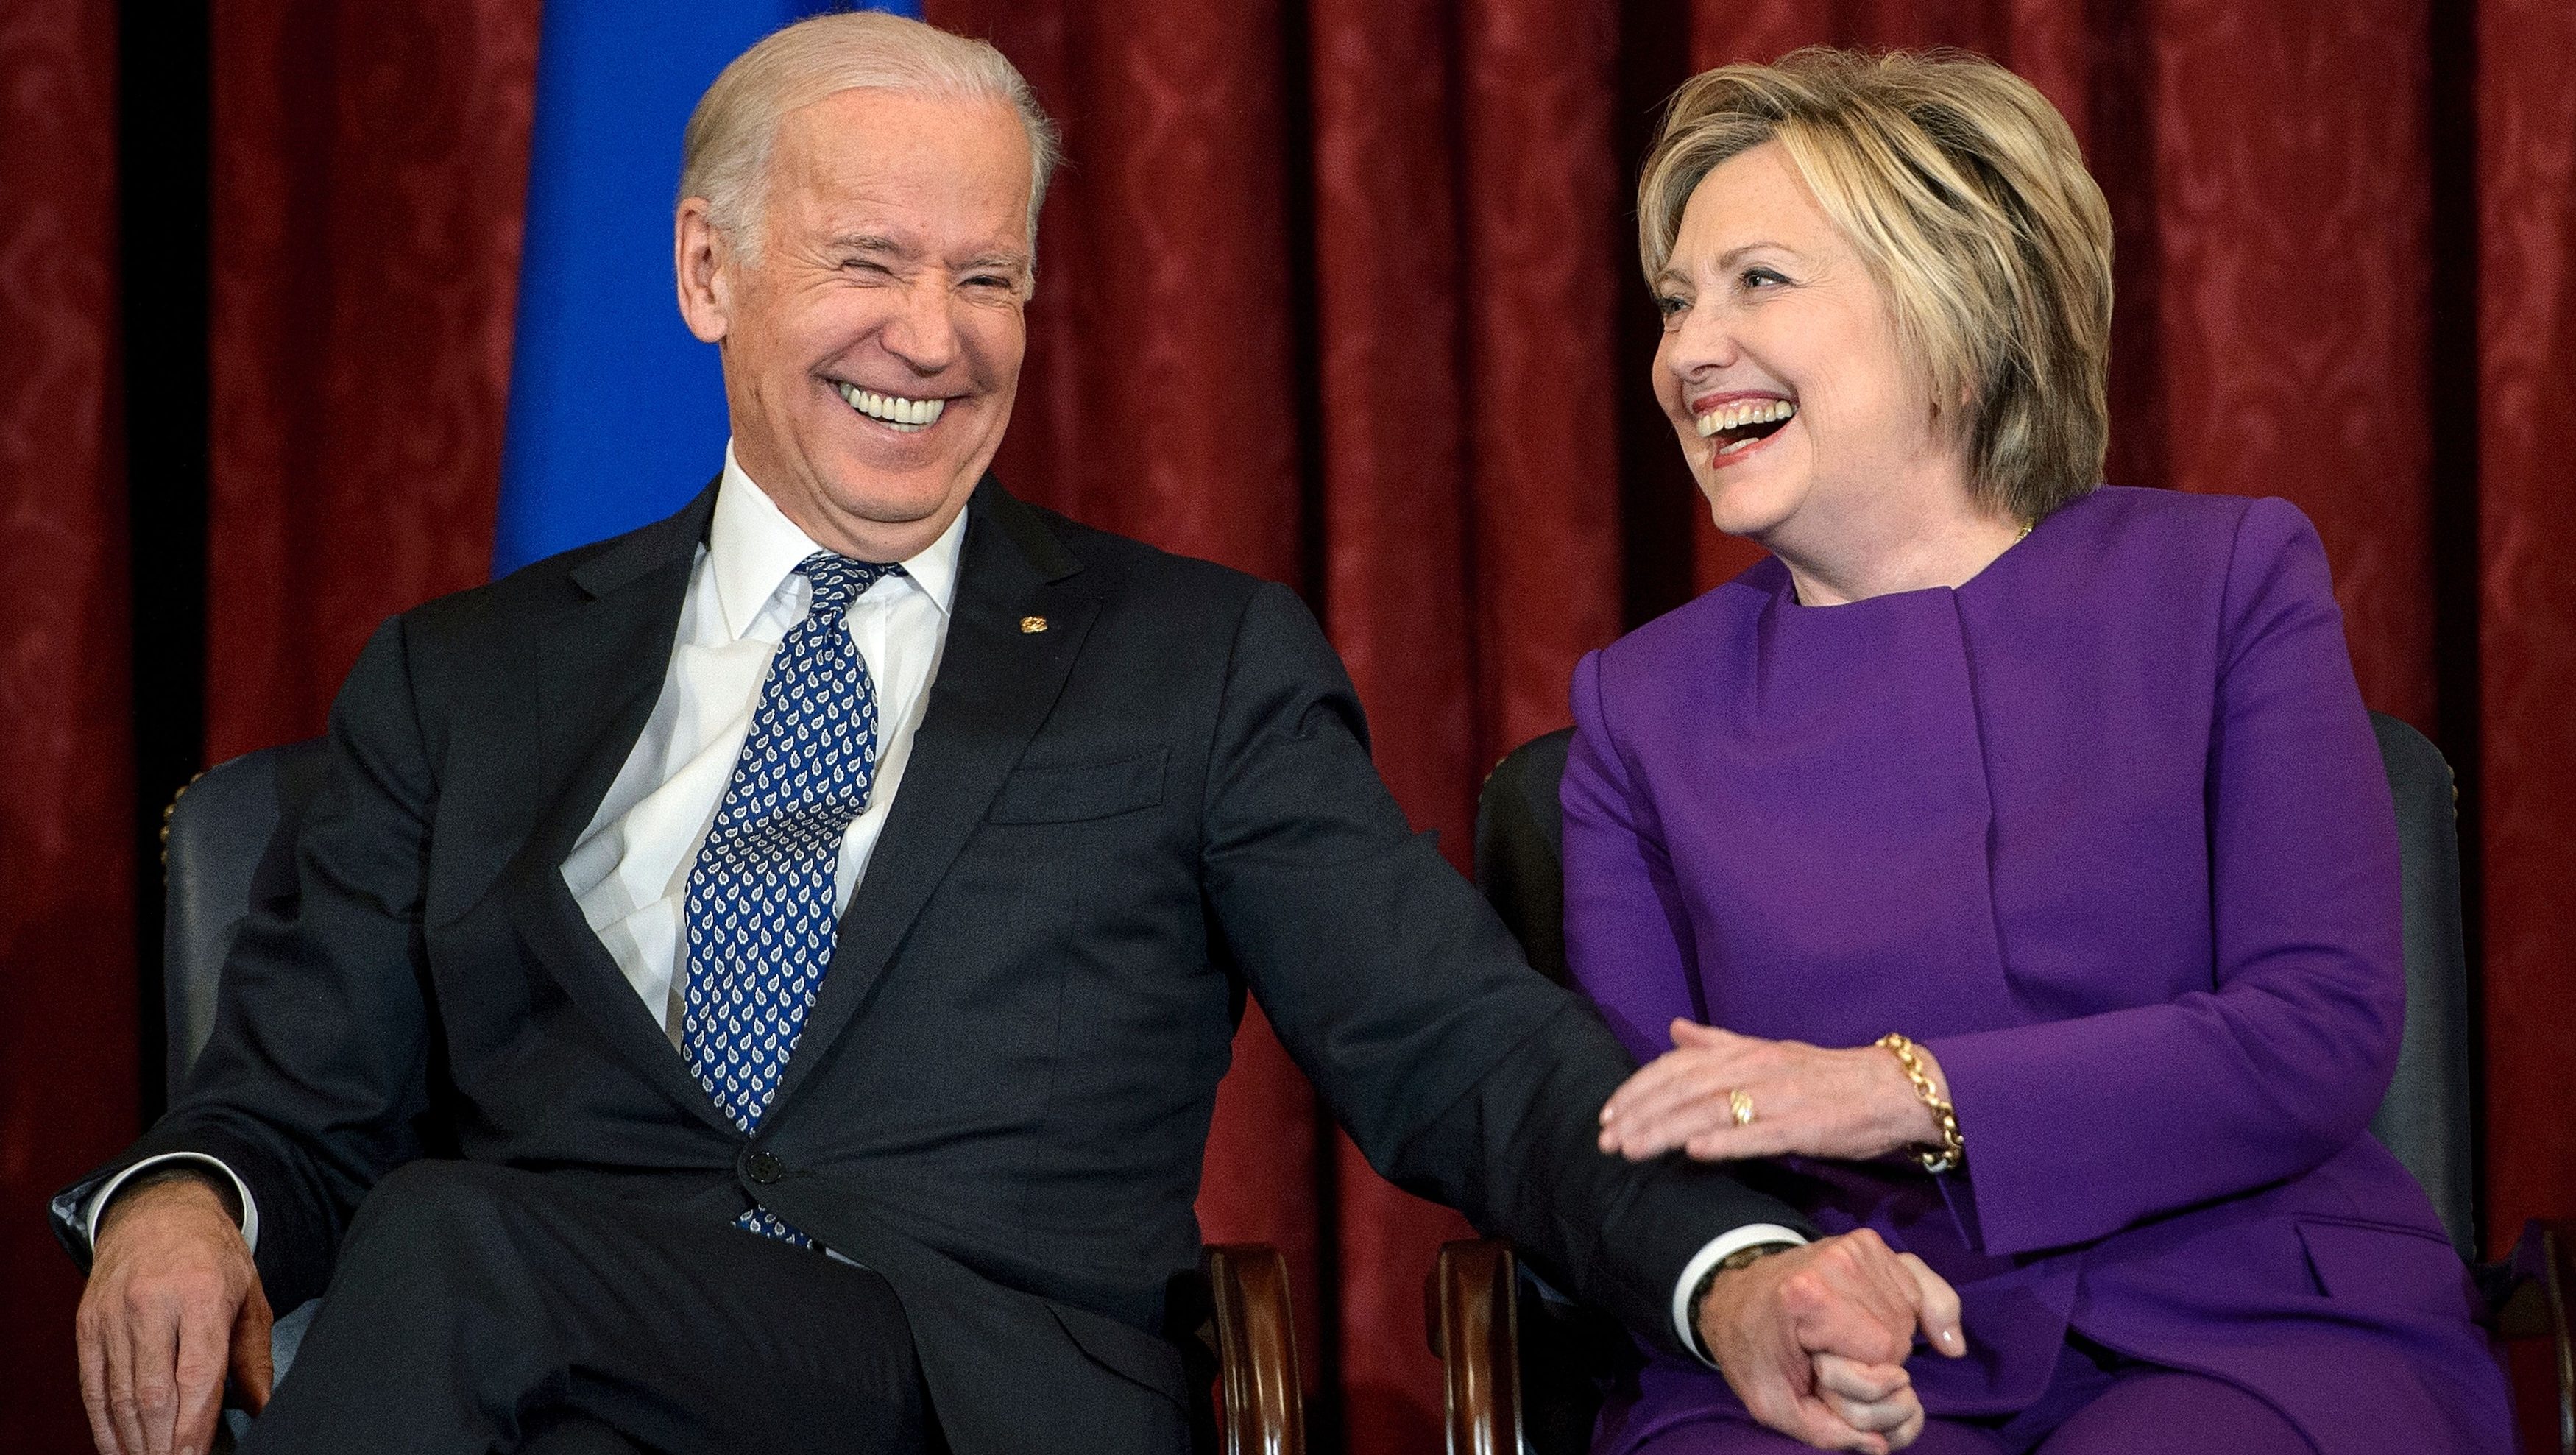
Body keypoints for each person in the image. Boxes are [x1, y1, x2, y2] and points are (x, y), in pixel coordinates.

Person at [55, 17, 1967, 1455]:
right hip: (549, 1393)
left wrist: (1723, 1268)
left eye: (988, 276)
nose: (936, 334)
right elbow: (291, 1102)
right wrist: (179, 1199)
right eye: (869, 263)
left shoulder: (1187, 660)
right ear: (708, 276)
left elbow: (1444, 1034)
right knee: (448, 1258)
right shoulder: (459, 682)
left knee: (451, 1248)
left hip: (968, 1393)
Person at [1568, 46, 2516, 1455]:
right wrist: (1776, 1290)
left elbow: (2316, 1025)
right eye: (1674, 301)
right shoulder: (1636, 707)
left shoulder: (2226, 580)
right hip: (1852, 1350)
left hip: (2253, 1319)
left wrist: (1902, 1091)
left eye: (1758, 280)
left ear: (1956, 309)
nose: (1688, 349)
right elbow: (1651, 1142)